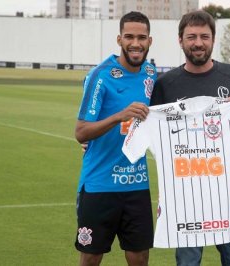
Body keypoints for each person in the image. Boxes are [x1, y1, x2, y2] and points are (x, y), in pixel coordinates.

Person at [150, 10, 230, 266]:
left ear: (213, 40)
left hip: (228, 189)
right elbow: (150, 128)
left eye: (204, 36)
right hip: (183, 192)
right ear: (180, 40)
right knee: (188, 262)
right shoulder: (165, 84)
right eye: (191, 36)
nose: (198, 43)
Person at [74, 11, 156, 266]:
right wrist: (118, 116)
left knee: (139, 257)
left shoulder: (152, 74)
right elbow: (81, 132)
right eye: (129, 36)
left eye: (141, 37)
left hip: (137, 184)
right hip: (100, 184)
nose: (136, 43)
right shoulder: (101, 75)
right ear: (119, 39)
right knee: (91, 257)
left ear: (149, 41)